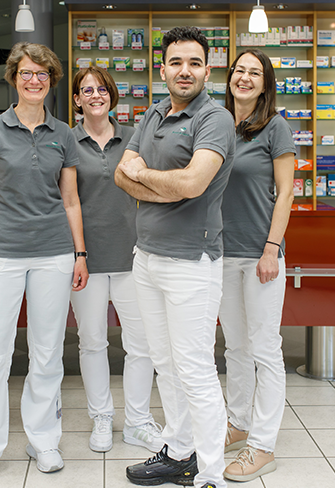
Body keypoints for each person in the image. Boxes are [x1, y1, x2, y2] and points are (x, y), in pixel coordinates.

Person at [0, 42, 88, 488]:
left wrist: (79, 253)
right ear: (13, 78)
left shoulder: (64, 134)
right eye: (27, 74)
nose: (35, 81)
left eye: (44, 74)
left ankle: (44, 439)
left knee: (48, 354)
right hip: (2, 253)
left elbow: (71, 200)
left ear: (52, 81)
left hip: (53, 252)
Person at [115, 26, 235, 488]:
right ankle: (180, 452)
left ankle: (210, 474)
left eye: (194, 63)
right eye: (176, 63)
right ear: (162, 68)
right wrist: (159, 184)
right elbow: (121, 176)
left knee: (195, 368)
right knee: (165, 362)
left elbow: (193, 184)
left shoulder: (215, 119)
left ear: (207, 69)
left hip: (191, 261)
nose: (185, 71)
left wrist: (150, 178)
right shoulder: (153, 113)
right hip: (146, 257)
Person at [69, 66, 162, 454]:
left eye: (101, 89)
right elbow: (67, 201)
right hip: (86, 260)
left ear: (112, 95)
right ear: (76, 99)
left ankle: (138, 421)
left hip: (132, 256)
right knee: (91, 342)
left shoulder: (134, 139)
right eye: (86, 90)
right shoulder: (66, 140)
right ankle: (102, 417)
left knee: (140, 345)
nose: (95, 95)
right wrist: (79, 254)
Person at [219, 48, 295, 482]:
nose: (245, 78)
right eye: (239, 71)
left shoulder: (275, 128)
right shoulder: (214, 123)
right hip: (221, 253)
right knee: (235, 347)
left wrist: (271, 248)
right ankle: (239, 421)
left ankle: (262, 445)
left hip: (260, 254)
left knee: (266, 349)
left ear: (265, 83)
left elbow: (285, 194)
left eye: (254, 73)